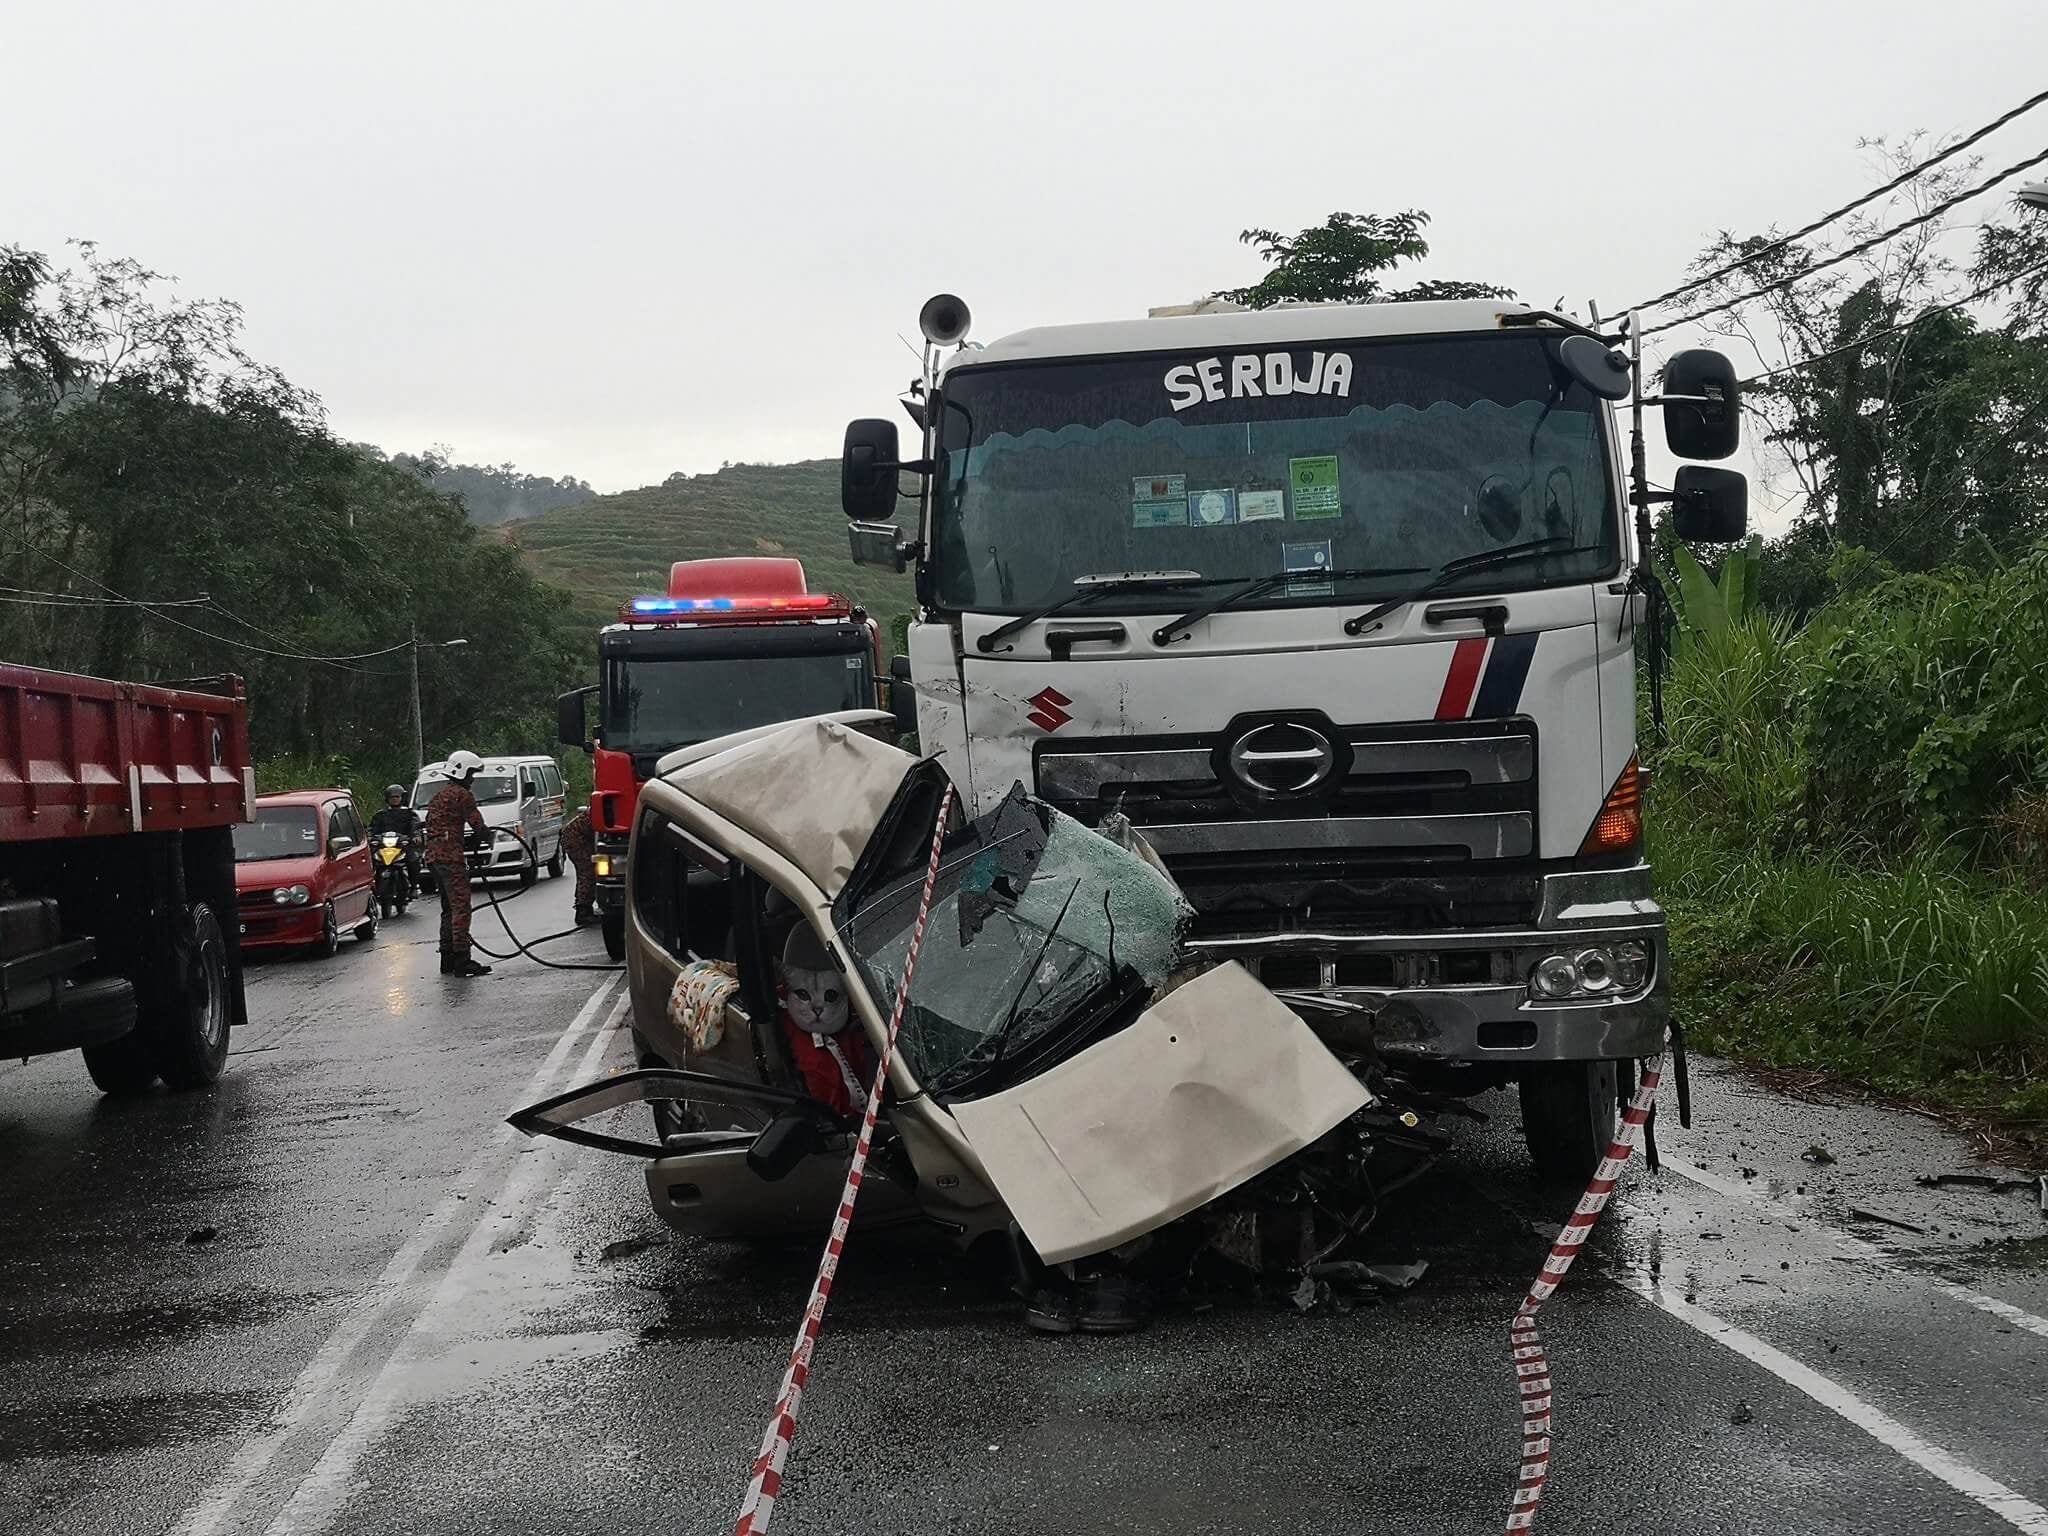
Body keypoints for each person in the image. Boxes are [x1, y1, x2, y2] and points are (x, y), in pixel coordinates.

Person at [424, 750, 491, 977]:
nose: (472, 779)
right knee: (461, 907)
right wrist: (484, 835)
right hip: (450, 858)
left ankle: (447, 958)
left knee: (448, 908)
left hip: (434, 858)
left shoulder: (438, 797)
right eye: (471, 773)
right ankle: (463, 959)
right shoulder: (462, 795)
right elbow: (477, 824)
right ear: (462, 771)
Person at [368, 784, 423, 890]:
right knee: (370, 861)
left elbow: (415, 827)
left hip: (403, 845)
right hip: (383, 845)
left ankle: (413, 886)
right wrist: (370, 838)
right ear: (387, 799)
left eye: (397, 797)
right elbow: (372, 828)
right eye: (392, 797)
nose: (394, 799)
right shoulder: (380, 815)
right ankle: (372, 886)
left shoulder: (409, 814)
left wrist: (415, 836)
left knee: (413, 860)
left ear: (402, 798)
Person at [560, 804, 597, 926]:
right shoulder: (600, 812)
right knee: (587, 873)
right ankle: (583, 912)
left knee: (585, 874)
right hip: (575, 839)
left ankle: (583, 906)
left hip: (575, 837)